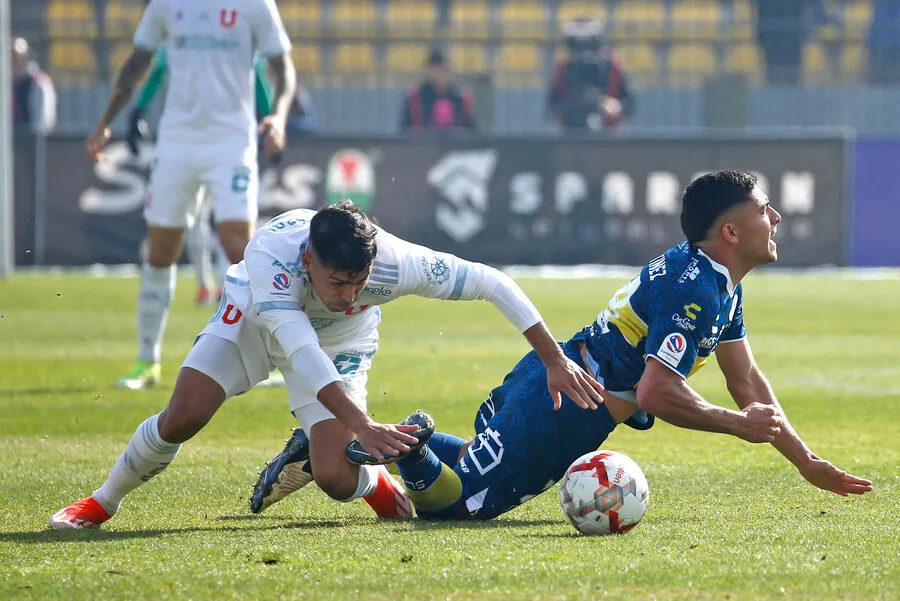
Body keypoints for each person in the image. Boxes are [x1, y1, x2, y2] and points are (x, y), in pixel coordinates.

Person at [251, 171, 872, 522]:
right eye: (767, 210)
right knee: (457, 508)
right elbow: (660, 389)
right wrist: (741, 428)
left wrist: (804, 460)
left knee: (470, 468)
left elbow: (748, 384)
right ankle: (398, 443)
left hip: (565, 394)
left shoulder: (717, 285)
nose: (778, 220)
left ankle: (374, 441)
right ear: (731, 230)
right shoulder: (698, 289)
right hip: (565, 403)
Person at [49, 200, 606, 529]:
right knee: (184, 416)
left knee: (338, 479)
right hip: (256, 319)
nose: (348, 292)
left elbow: (491, 281)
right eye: (338, 282)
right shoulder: (270, 261)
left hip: (343, 342)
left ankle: (360, 477)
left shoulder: (394, 264)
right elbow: (300, 355)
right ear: (309, 260)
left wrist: (553, 359)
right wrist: (363, 426)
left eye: (359, 283)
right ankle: (103, 501)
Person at [83, 0, 297, 391]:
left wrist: (279, 115)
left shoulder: (255, 6)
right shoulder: (166, 5)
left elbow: (282, 68)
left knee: (239, 246)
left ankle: (273, 355)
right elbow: (138, 61)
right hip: (177, 142)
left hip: (232, 142)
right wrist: (105, 122)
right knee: (161, 250)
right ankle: (147, 362)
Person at [547, 17, 635, 132]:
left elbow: (629, 103)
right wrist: (574, 105)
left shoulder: (612, 67)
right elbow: (552, 107)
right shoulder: (563, 69)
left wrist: (616, 107)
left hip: (609, 136)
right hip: (572, 134)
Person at [399, 48, 476, 132]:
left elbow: (472, 132)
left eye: (442, 70)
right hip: (423, 144)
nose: (439, 74)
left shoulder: (460, 99)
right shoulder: (415, 99)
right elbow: (405, 132)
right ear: (428, 72)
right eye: (435, 70)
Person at [11, 37, 57, 134]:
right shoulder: (11, 83)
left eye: (15, 58)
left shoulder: (38, 82)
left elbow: (42, 124)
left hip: (30, 143)